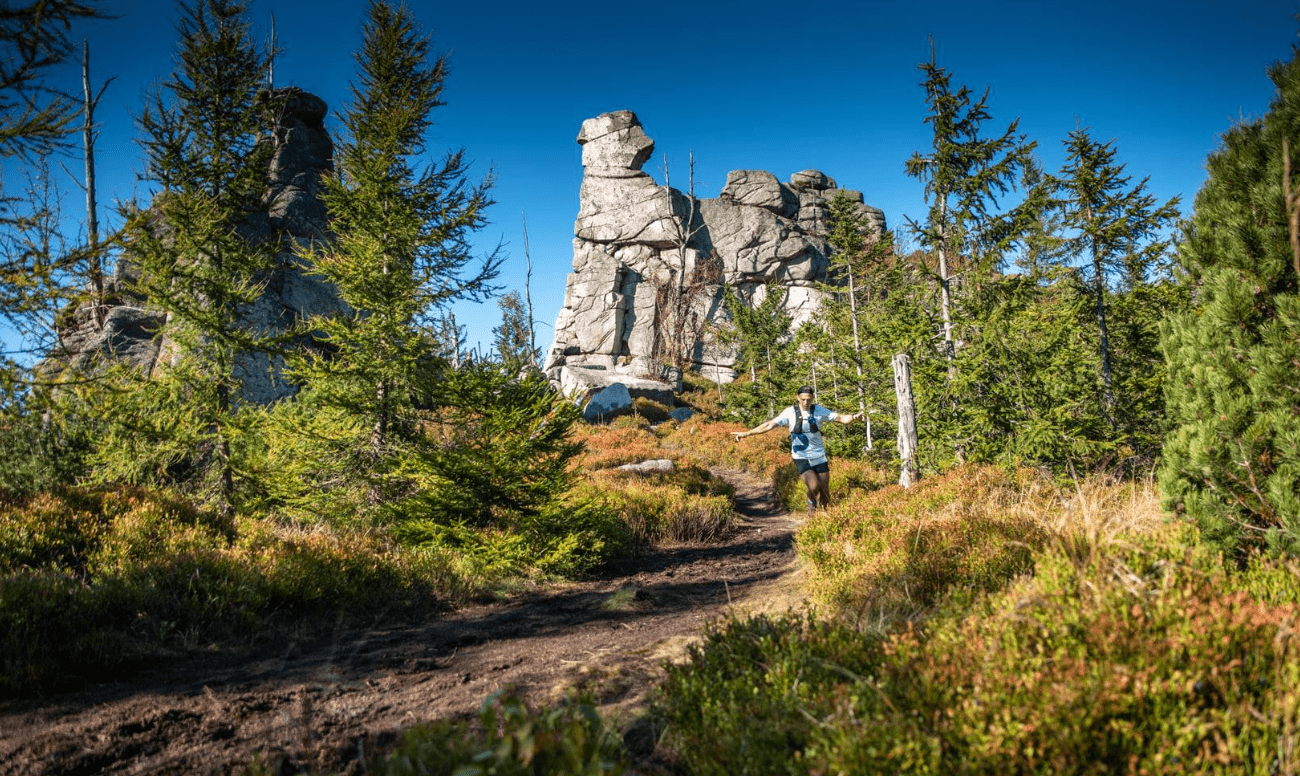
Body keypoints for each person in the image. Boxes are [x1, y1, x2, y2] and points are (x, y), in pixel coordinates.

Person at [731, 386, 863, 513]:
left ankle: (825, 518)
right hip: (801, 457)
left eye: (809, 399)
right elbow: (769, 425)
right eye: (803, 399)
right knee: (813, 486)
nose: (806, 402)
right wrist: (746, 433)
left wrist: (854, 417)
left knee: (825, 491)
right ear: (797, 398)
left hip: (819, 456)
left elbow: (841, 418)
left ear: (812, 398)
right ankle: (811, 506)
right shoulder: (790, 412)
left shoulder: (818, 410)